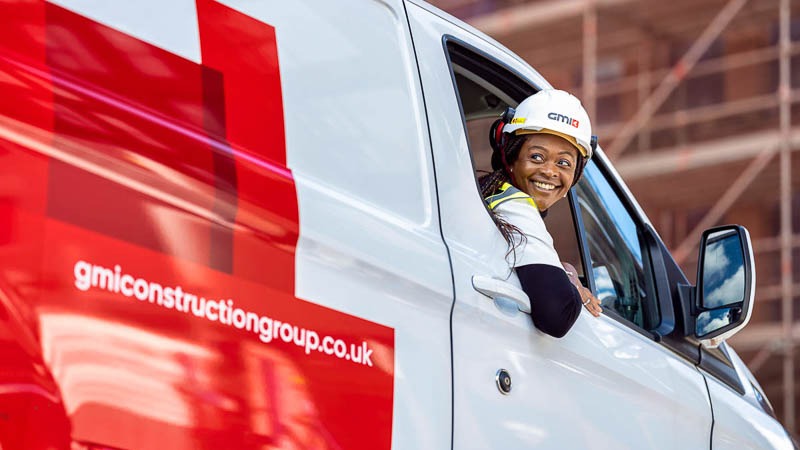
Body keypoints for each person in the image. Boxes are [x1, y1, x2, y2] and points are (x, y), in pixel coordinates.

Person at [479, 89, 602, 338]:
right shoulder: (513, 205)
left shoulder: (495, 196)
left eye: (564, 163)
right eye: (537, 156)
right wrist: (569, 277)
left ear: (574, 176)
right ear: (511, 157)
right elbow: (557, 314)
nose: (549, 171)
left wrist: (562, 266)